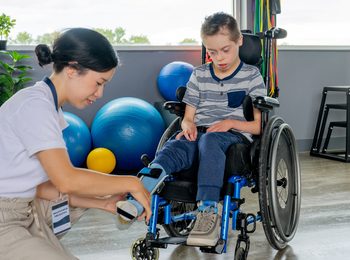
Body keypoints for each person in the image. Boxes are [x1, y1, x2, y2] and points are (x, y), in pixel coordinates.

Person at [116, 12, 266, 247]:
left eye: (225, 50)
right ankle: (136, 198)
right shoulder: (199, 74)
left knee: (211, 140)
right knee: (174, 145)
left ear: (239, 41)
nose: (219, 58)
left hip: (233, 136)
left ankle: (208, 211)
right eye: (212, 52)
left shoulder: (251, 75)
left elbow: (258, 126)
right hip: (201, 133)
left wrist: (230, 123)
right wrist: (188, 126)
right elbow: (187, 118)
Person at [0, 28, 152, 260]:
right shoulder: (34, 106)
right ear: (72, 69)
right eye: (99, 82)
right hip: (6, 216)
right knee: (77, 183)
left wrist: (103, 203)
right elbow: (66, 180)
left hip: (27, 206)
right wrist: (131, 182)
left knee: (84, 195)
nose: (100, 93)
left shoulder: (50, 107)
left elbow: (42, 187)